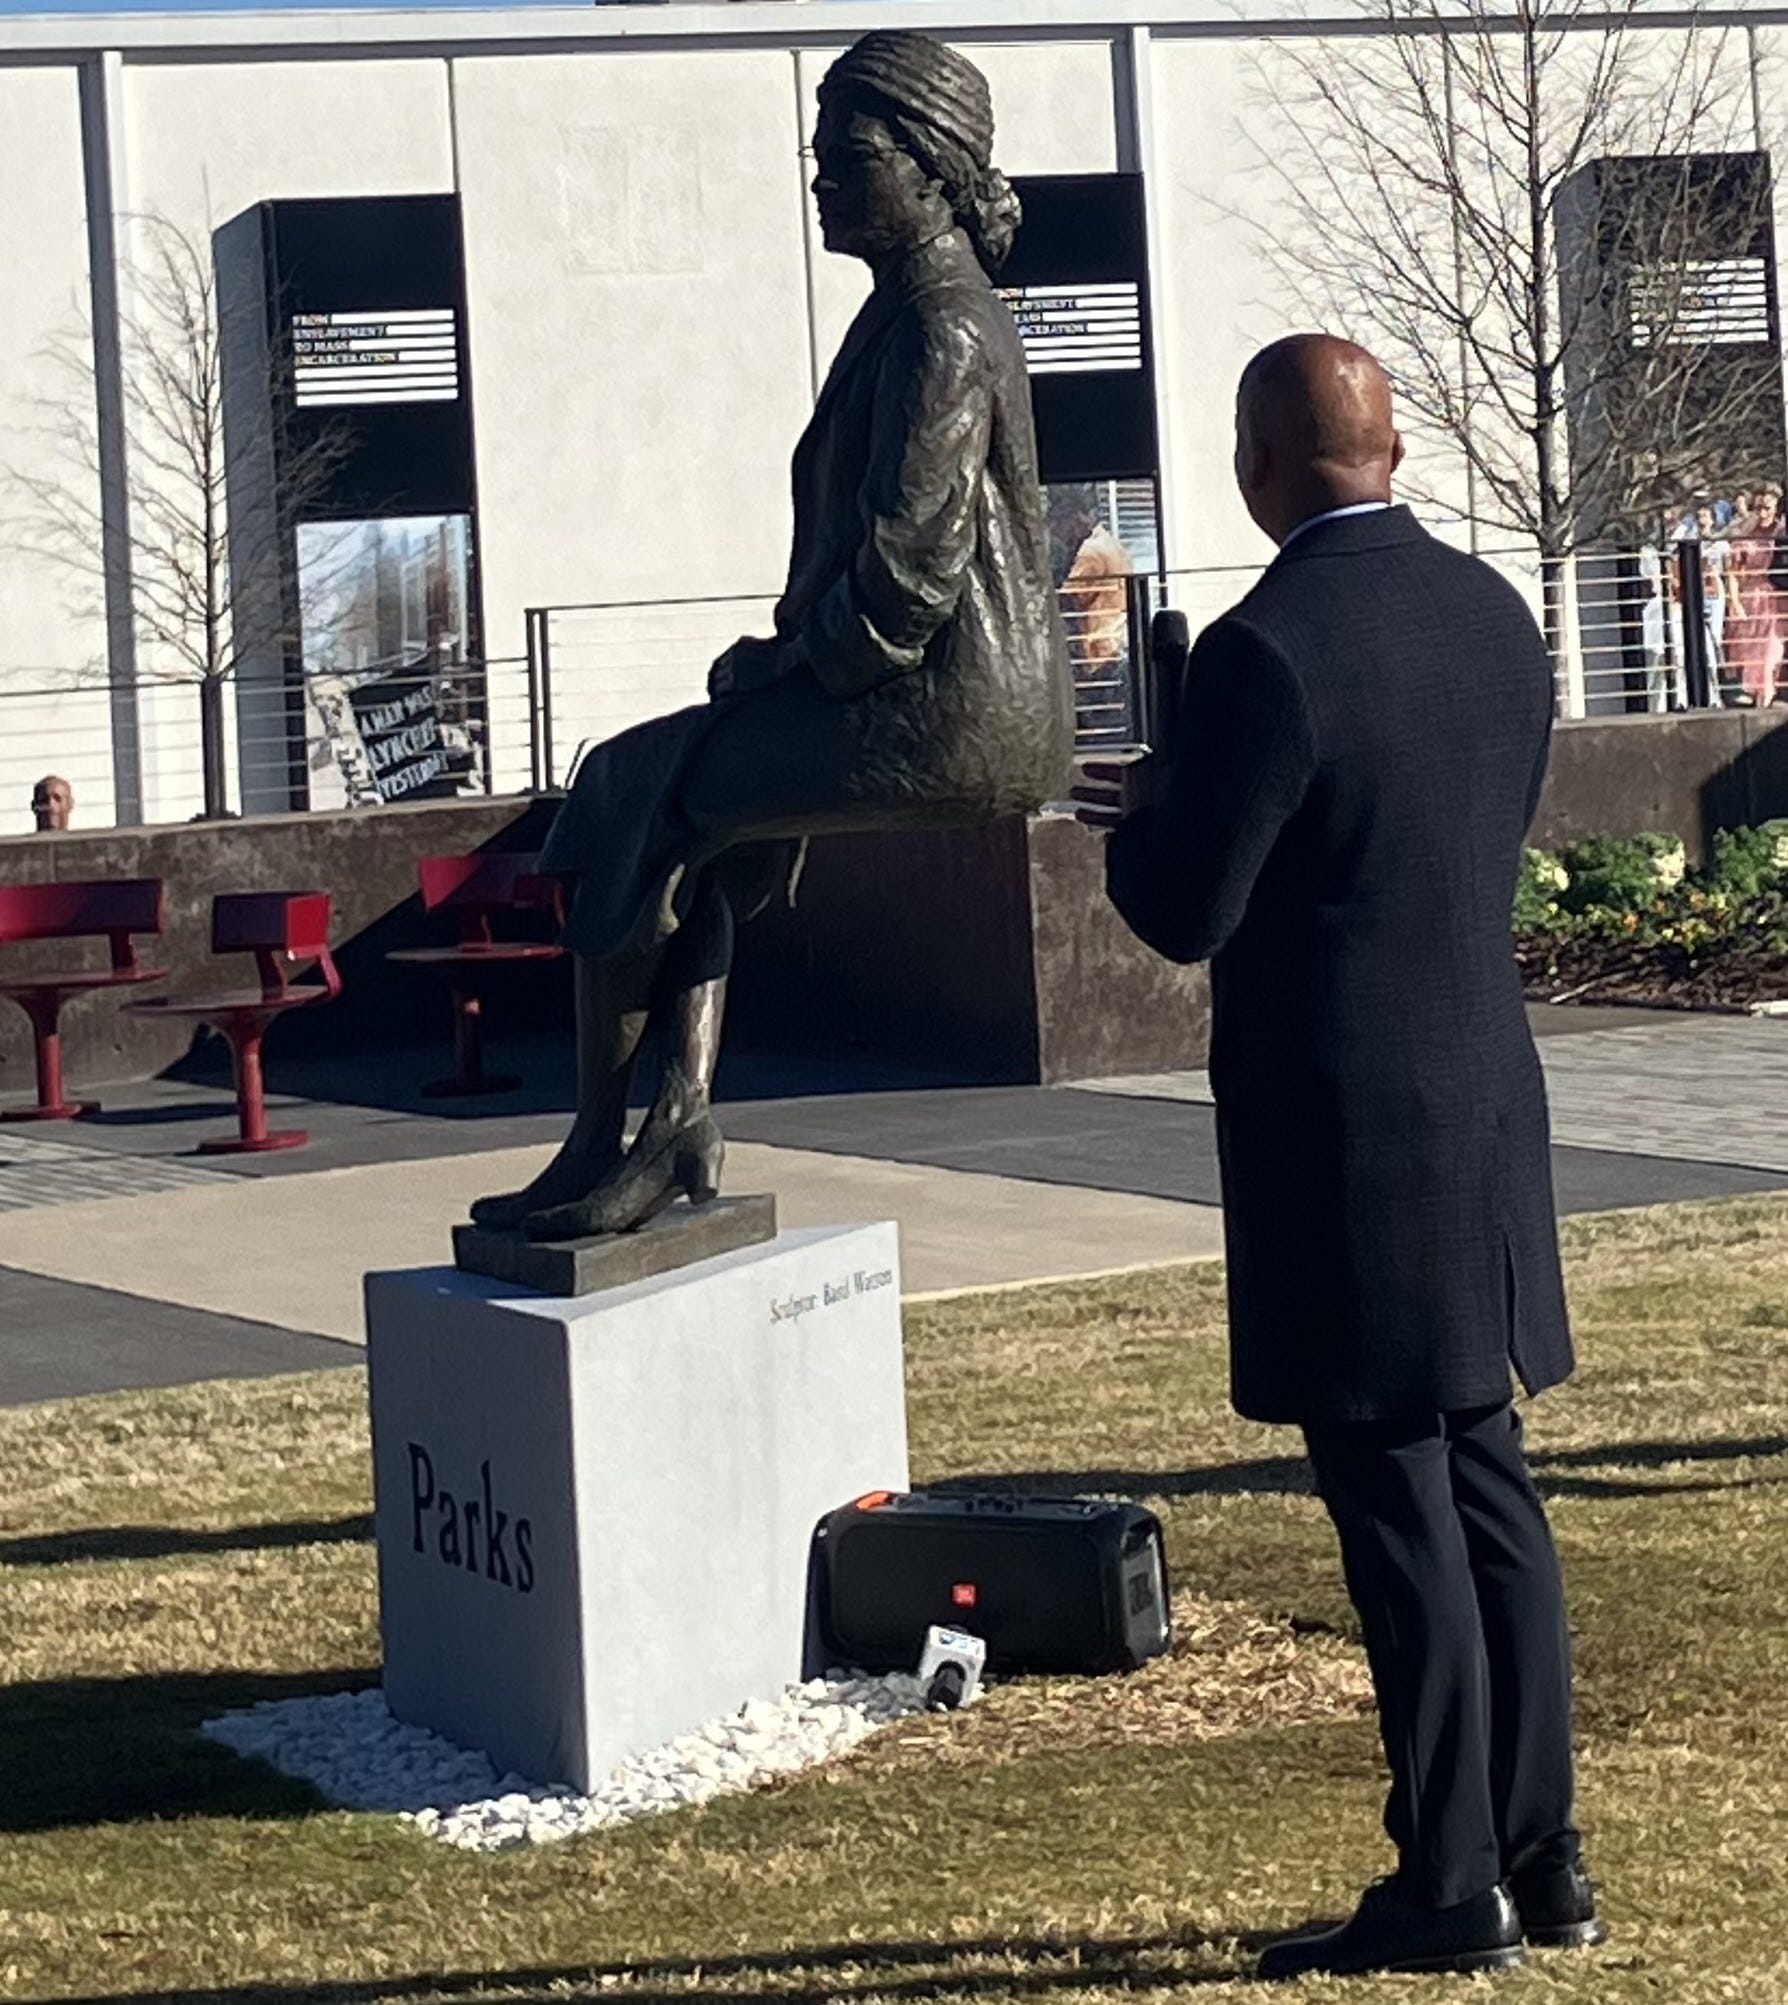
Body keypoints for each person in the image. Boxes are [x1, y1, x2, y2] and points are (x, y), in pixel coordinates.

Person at [1075, 334, 1601, 1981]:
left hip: (1344, 1128)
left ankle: (1445, 1885)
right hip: (1483, 1094)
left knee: (1393, 1501)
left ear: (1255, 464)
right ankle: (1547, 1861)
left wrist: (1149, 815)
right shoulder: (1496, 616)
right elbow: (1424, 828)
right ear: (1387, 445)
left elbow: (1187, 905)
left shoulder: (1261, 653)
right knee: (1489, 1478)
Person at [473, 29, 1071, 1240]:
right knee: (681, 811)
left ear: (928, 165)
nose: (822, 179)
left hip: (946, 706)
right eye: (820, 153)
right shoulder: (909, 312)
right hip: (926, 688)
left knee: (635, 776)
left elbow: (907, 581)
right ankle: (669, 1120)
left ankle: (611, 1136)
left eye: (848, 155)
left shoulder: (942, 326)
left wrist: (778, 665)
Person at [1726, 485, 1785, 707]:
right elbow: (1733, 571)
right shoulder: (1746, 535)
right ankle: (1760, 703)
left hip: (1774, 598)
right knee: (1754, 656)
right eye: (1758, 507)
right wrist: (1735, 601)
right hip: (1751, 597)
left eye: (1767, 507)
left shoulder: (1780, 534)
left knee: (1772, 652)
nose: (1762, 513)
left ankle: (1767, 700)